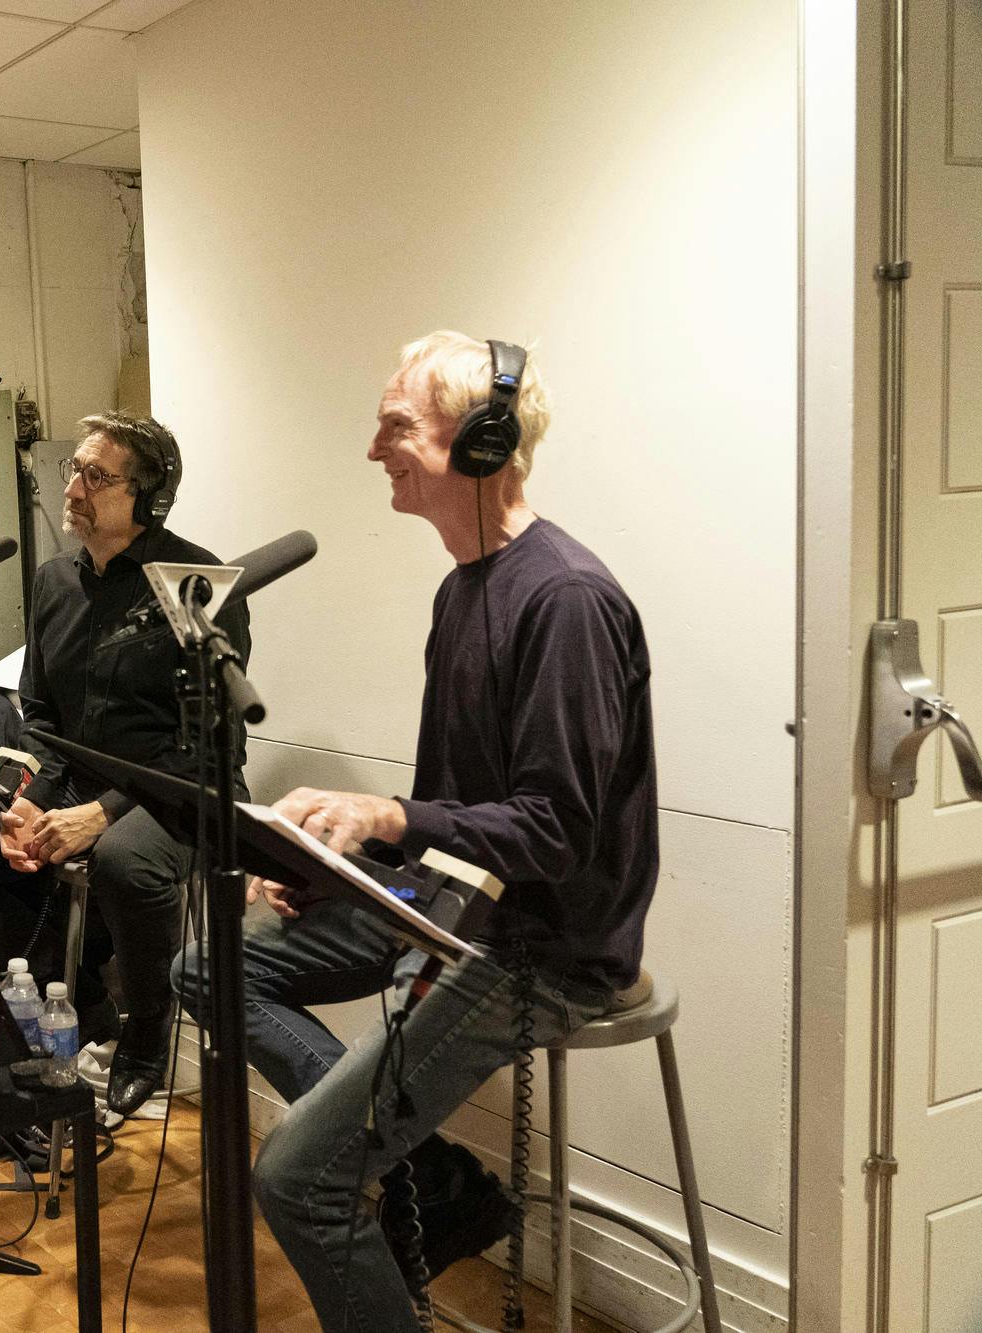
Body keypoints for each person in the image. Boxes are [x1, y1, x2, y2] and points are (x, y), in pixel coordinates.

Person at [174, 332, 657, 1325]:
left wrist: (387, 812)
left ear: (479, 439)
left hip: (539, 946)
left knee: (295, 1177)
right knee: (210, 964)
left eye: (393, 425)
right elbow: (458, 806)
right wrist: (337, 860)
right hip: (451, 901)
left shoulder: (564, 599)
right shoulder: (461, 586)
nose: (371, 449)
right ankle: (416, 1167)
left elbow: (550, 830)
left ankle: (357, 1154)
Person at [0, 411, 250, 1117]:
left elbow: (215, 744)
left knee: (125, 858)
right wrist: (23, 803)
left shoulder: (195, 584)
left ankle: (147, 1036)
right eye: (75, 470)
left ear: (149, 498)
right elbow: (42, 720)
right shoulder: (53, 582)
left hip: (183, 789)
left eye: (97, 476)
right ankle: (82, 1006)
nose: (74, 487)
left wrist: (102, 814)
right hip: (81, 783)